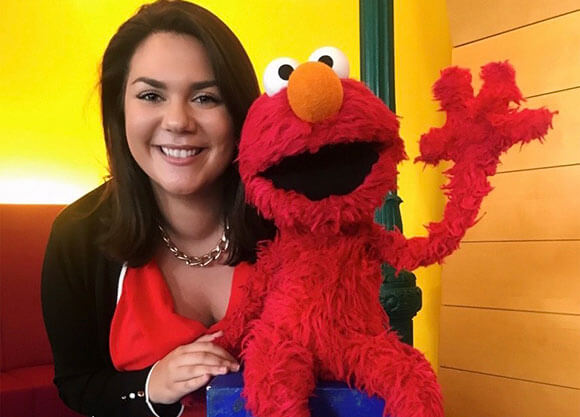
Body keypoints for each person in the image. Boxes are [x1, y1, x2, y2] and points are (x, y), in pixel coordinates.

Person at [41, 1, 275, 416]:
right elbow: (76, 384)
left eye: (206, 97)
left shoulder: (290, 219)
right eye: (151, 95)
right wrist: (152, 384)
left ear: (240, 113)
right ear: (120, 109)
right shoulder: (77, 234)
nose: (178, 120)